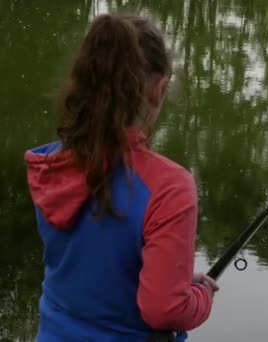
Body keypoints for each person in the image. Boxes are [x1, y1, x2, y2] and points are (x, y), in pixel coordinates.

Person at [23, 13, 218, 341]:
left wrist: (173, 283)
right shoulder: (169, 186)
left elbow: (89, 268)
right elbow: (163, 310)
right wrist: (201, 297)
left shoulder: (50, 166)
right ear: (159, 90)